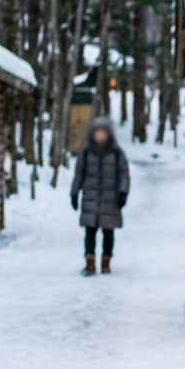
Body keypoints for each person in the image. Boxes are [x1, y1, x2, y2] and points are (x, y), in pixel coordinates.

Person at [70, 115, 130, 275]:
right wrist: (74, 194)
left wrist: (123, 193)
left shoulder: (117, 153)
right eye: (98, 132)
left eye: (103, 132)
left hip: (111, 201)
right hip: (90, 199)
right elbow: (79, 175)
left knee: (108, 233)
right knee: (89, 232)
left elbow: (124, 175)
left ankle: (106, 262)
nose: (100, 135)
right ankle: (89, 263)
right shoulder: (86, 153)